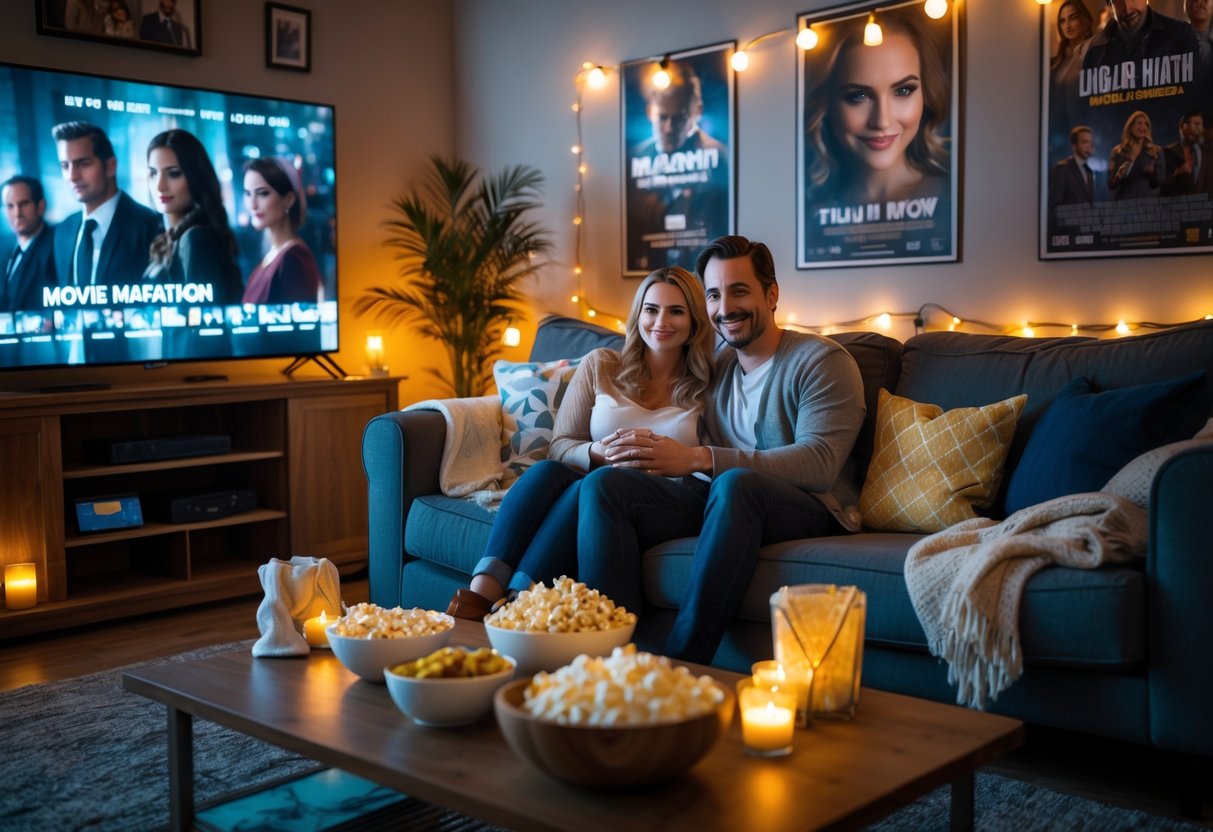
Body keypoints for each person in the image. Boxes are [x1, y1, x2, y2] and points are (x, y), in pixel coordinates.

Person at [576, 236, 866, 664]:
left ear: (772, 294)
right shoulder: (717, 367)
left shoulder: (821, 361)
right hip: (722, 499)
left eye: (740, 290)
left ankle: (682, 662)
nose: (725, 307)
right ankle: (613, 659)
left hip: (810, 507)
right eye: (713, 294)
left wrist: (697, 458)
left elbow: (819, 463)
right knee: (607, 487)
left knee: (736, 483)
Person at [445, 266, 715, 619]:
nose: (661, 321)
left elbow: (715, 457)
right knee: (547, 472)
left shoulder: (709, 382)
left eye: (676, 311)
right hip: (599, 490)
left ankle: (518, 605)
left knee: (589, 488)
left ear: (694, 321)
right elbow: (561, 444)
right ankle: (482, 597)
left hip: (667, 499)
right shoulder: (602, 364)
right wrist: (596, 451)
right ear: (638, 314)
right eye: (651, 309)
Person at [804, 8, 951, 207]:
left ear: (927, 94)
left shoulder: (957, 199)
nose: (882, 120)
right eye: (859, 96)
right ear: (826, 103)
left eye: (903, 91)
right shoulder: (811, 214)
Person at [625, 59, 730, 273]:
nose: (668, 128)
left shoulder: (718, 156)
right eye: (662, 117)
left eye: (679, 119)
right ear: (649, 112)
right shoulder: (634, 156)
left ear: (697, 111)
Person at [51, 121, 161, 291]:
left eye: (83, 164)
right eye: (65, 166)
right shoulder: (62, 231)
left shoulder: (150, 225)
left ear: (110, 166)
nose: (72, 176)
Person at [143, 130, 243, 305]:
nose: (160, 186)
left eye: (173, 174)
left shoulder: (195, 238)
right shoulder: (169, 238)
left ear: (195, 177)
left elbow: (203, 323)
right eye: (153, 173)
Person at [241, 157, 323, 305]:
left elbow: (301, 324)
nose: (252, 204)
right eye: (247, 193)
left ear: (289, 199)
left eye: (262, 193)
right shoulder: (273, 255)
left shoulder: (294, 256)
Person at [1082, 0, 1199, 70]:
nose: (1128, 9)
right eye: (1118, 0)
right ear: (1109, 4)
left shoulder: (1181, 34)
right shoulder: (1095, 51)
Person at [1, 176, 57, 312]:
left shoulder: (56, 247)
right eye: (10, 206)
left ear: (40, 206)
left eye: (23, 204)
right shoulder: (6, 254)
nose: (17, 213)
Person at [1108, 110, 1165, 198]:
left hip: (1146, 203)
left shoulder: (1156, 151)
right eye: (1139, 123)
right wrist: (1118, 175)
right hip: (1123, 202)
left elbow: (1159, 183)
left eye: (1146, 124)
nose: (1143, 126)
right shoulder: (1117, 151)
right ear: (1130, 127)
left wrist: (1151, 173)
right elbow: (1111, 185)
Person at [1049, 125, 1100, 213]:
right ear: (1074, 146)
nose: (1089, 146)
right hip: (1069, 225)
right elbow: (1056, 205)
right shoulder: (1062, 168)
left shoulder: (1090, 172)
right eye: (1084, 142)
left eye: (1090, 142)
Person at [1161, 110, 1212, 195]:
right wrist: (1175, 174)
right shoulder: (1167, 151)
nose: (1200, 128)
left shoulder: (1209, 153)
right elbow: (1159, 183)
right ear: (1183, 126)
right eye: (1196, 124)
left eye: (1201, 125)